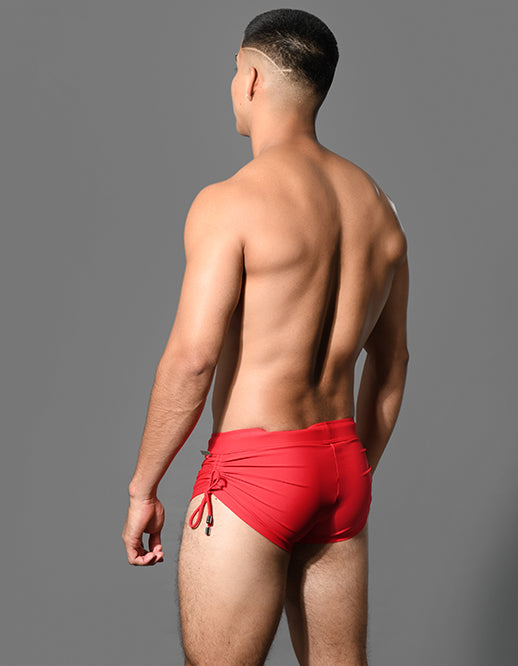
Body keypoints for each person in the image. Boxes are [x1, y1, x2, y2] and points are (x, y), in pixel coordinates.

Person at [122, 8, 409, 665]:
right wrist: (350, 470)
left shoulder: (231, 201)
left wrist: (144, 487)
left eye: (234, 72)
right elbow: (392, 362)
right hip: (342, 468)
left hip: (255, 470)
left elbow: (193, 361)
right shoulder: (379, 209)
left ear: (252, 79)